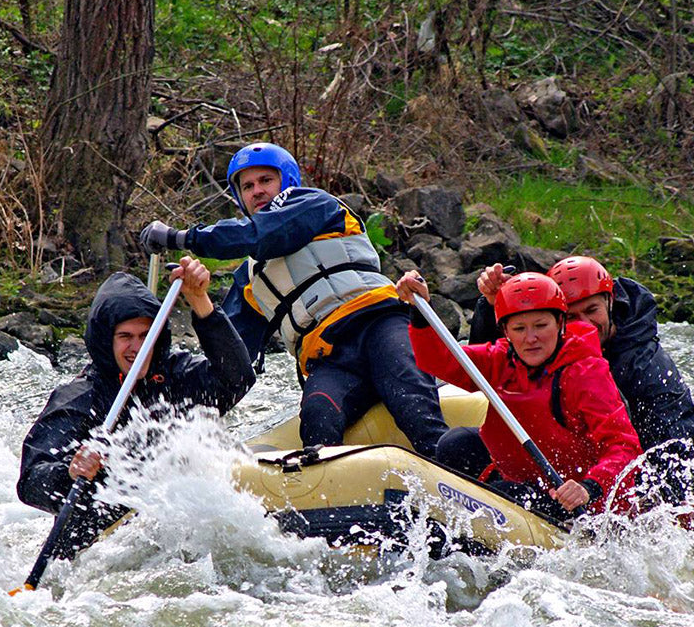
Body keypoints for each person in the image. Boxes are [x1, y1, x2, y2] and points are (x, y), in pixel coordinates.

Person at [139, 142, 448, 453]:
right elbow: (232, 359)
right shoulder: (249, 279)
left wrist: (180, 238)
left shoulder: (315, 205)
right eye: (247, 186)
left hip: (379, 324)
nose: (256, 191)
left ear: (286, 181)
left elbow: (260, 234)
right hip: (328, 357)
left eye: (265, 181)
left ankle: (448, 465)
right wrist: (164, 382)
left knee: (411, 399)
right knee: (317, 416)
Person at [16, 257, 255, 549]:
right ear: (107, 342)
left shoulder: (175, 376)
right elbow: (30, 482)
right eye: (125, 337)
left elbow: (238, 378)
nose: (137, 347)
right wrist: (69, 471)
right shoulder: (79, 399)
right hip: (101, 542)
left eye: (145, 335)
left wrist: (200, 300)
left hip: (170, 528)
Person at [396, 269, 643, 519]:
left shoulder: (585, 372)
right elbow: (438, 360)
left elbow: (623, 445)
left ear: (560, 323)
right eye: (519, 328)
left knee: (511, 493)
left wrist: (590, 487)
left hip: (574, 497)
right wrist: (420, 310)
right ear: (505, 331)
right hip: (522, 481)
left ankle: (511, 503)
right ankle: (498, 498)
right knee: (456, 444)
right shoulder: (501, 358)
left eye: (540, 325)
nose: (531, 338)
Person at [470, 257, 694, 457]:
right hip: (560, 450)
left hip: (612, 466)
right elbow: (490, 367)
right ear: (556, 319)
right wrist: (493, 307)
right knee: (459, 444)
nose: (585, 324)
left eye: (591, 310)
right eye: (572, 316)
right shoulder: (548, 342)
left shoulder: (645, 366)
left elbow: (674, 446)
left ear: (610, 302)